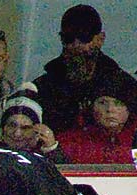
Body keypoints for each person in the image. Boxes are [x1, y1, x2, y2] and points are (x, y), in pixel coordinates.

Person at [33, 4, 137, 134]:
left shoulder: (125, 87)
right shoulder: (42, 87)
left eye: (84, 37)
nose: (76, 45)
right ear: (61, 39)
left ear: (100, 39)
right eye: (69, 38)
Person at [57, 77, 137, 165]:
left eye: (118, 104)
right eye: (102, 103)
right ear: (91, 108)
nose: (110, 109)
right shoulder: (71, 141)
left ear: (129, 110)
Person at [0, 83, 68, 163]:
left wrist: (51, 149)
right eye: (12, 125)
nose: (17, 133)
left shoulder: (43, 160)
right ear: (2, 129)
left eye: (25, 128)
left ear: (38, 132)